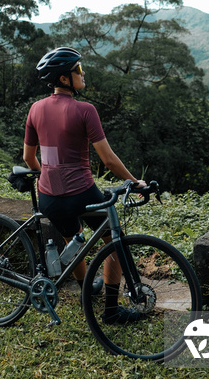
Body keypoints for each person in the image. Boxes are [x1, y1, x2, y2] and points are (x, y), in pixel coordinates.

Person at [22, 46, 146, 323]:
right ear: (65, 78)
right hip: (82, 193)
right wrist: (135, 182)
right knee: (113, 242)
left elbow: (29, 158)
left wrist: (48, 177)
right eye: (78, 69)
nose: (83, 72)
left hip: (49, 198)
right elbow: (109, 160)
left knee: (72, 238)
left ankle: (86, 292)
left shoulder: (35, 109)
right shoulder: (85, 110)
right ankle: (111, 311)